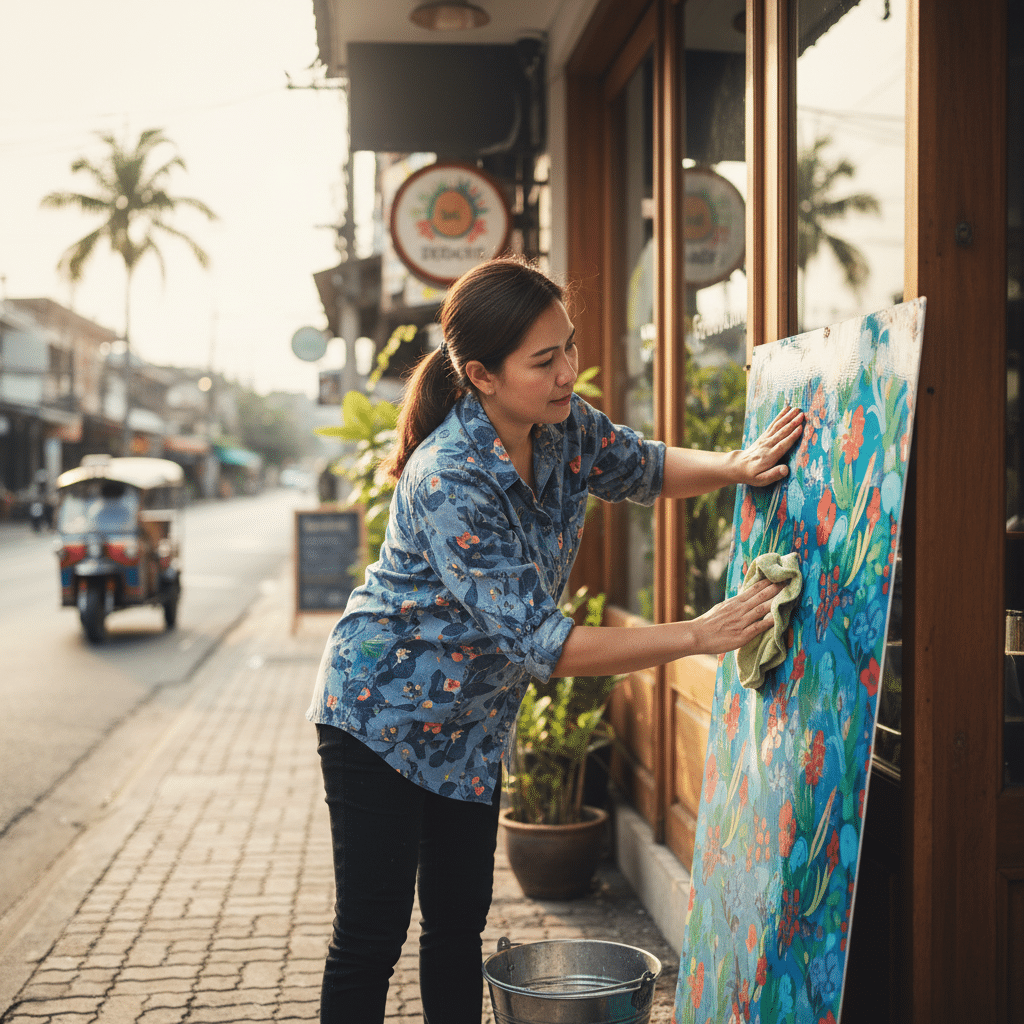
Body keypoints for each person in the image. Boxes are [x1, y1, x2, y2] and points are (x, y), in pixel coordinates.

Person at [306, 257, 804, 1024]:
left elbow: (643, 466)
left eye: (568, 345)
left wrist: (738, 467)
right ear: (482, 376)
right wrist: (698, 634)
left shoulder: (563, 427)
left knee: (457, 925)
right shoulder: (447, 477)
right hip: (377, 718)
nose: (569, 370)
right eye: (544, 360)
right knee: (372, 935)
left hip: (470, 727)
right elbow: (546, 644)